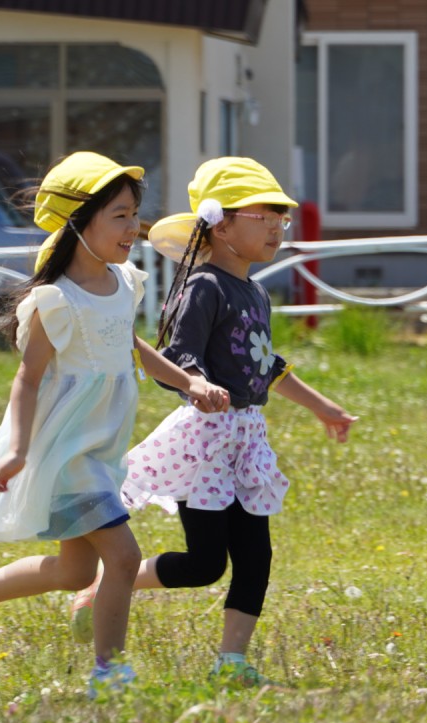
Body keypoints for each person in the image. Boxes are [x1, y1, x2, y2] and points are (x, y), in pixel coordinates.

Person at [0, 152, 229, 697]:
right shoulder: (55, 301)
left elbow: (132, 347)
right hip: (67, 451)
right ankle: (109, 672)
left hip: (101, 449)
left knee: (75, 573)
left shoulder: (123, 283)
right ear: (77, 224)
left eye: (134, 214)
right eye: (119, 215)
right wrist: (18, 450)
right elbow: (27, 380)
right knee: (124, 556)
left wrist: (189, 382)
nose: (133, 227)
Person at [70, 156, 358, 686]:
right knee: (205, 564)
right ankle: (109, 584)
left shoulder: (257, 291)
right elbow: (175, 357)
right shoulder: (204, 286)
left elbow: (265, 364)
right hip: (206, 442)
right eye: (263, 216)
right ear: (220, 226)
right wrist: (198, 384)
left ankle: (232, 663)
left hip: (247, 440)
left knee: (256, 555)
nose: (277, 227)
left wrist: (322, 406)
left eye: (282, 218)